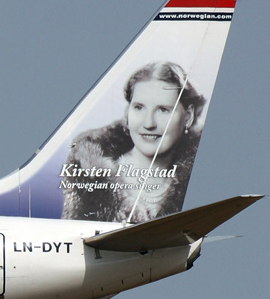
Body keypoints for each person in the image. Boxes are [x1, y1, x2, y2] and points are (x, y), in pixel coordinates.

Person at [61, 61, 205, 223]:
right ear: (127, 114)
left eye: (163, 110)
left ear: (188, 116)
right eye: (138, 107)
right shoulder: (91, 180)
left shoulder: (198, 184)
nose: (149, 123)